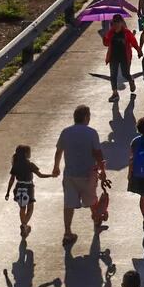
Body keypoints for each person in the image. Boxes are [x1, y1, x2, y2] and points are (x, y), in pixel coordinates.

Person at [53, 105, 107, 246]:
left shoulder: (66, 132)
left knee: (68, 204)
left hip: (70, 175)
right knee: (92, 201)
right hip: (88, 174)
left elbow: (59, 151)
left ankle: (67, 232)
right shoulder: (91, 133)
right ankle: (96, 224)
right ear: (85, 117)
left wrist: (56, 167)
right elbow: (98, 153)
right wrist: (102, 171)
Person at [5, 144, 50, 238]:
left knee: (22, 208)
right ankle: (24, 225)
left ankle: (24, 226)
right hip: (28, 188)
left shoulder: (15, 165)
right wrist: (51, 175)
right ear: (26, 154)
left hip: (18, 187)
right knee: (30, 208)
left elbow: (12, 179)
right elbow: (40, 175)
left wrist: (8, 192)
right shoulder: (30, 164)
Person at [102, 14, 141, 102]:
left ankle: (131, 80)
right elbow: (106, 44)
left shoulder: (126, 33)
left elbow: (134, 42)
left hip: (124, 57)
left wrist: (139, 51)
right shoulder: (110, 32)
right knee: (113, 75)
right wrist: (104, 37)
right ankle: (115, 93)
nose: (115, 25)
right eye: (114, 22)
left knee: (125, 74)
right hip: (113, 57)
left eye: (117, 22)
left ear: (121, 23)